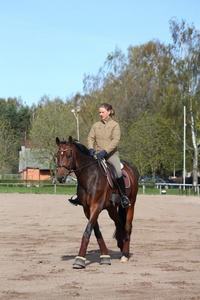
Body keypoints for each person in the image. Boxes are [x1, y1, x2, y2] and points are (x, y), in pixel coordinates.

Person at [69, 103, 131, 208]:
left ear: (109, 112)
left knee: (118, 171)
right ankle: (80, 196)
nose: (100, 114)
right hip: (97, 155)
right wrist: (91, 149)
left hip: (111, 155)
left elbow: (115, 141)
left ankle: (124, 196)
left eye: (102, 112)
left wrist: (105, 151)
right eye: (99, 112)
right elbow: (90, 138)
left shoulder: (115, 125)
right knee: (84, 171)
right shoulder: (96, 125)